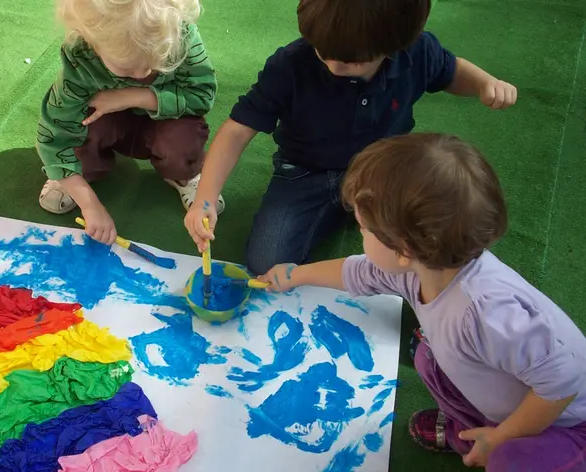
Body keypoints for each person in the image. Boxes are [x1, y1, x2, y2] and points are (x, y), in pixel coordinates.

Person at [259, 133, 586, 471]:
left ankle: (493, 437)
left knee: (508, 461)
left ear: (405, 249)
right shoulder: (421, 267)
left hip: (567, 422)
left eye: (363, 228)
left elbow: (563, 382)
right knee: (427, 355)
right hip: (498, 389)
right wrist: (296, 275)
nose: (360, 235)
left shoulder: (486, 311)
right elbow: (358, 272)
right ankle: (469, 425)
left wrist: (504, 436)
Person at [183, 0, 518, 275]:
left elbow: (449, 71)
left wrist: (483, 84)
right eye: (322, 51)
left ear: (393, 47)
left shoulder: (417, 52)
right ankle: (345, 210)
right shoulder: (290, 65)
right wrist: (205, 199)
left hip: (385, 171)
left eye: (349, 61)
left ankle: (355, 209)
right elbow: (237, 130)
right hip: (305, 172)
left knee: (431, 244)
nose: (332, 66)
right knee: (264, 263)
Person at [37, 0, 224, 245]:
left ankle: (183, 174)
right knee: (81, 121)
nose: (143, 75)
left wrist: (129, 96)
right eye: (127, 69)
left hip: (167, 121)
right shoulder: (80, 57)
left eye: (157, 63)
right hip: (106, 121)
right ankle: (74, 175)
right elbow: (54, 134)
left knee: (182, 141)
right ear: (92, 44)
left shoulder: (180, 34)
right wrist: (89, 204)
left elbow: (202, 96)